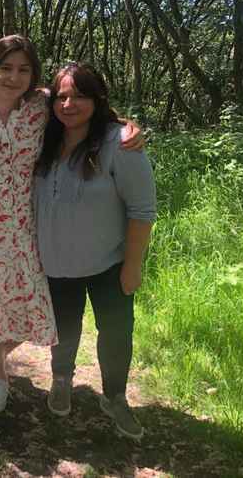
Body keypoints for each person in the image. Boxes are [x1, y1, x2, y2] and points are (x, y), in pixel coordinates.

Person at [0, 35, 144, 414]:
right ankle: (1, 379)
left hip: (31, 226)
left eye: (24, 69)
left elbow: (80, 108)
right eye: (5, 68)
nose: (14, 76)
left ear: (33, 75)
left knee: (37, 308)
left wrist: (127, 125)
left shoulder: (40, 106)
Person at [34, 62, 155, 440]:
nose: (69, 104)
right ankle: (61, 379)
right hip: (56, 262)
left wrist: (132, 266)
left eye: (80, 95)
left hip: (109, 263)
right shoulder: (43, 138)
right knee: (64, 329)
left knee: (116, 332)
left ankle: (115, 396)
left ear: (98, 98)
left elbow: (142, 210)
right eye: (62, 96)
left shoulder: (120, 143)